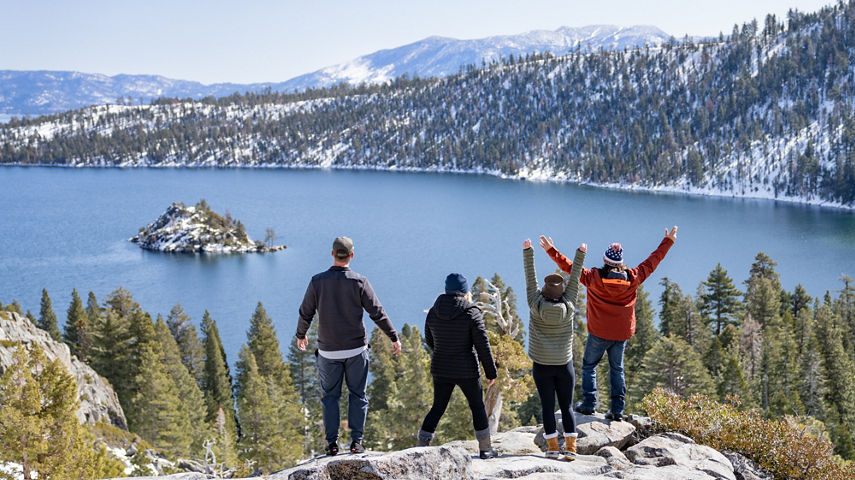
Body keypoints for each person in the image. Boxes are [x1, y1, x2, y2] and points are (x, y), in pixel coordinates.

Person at [540, 226, 677, 421]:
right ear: (621, 263)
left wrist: (551, 250)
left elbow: (570, 267)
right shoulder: (633, 278)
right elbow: (653, 261)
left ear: (605, 260)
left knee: (589, 367)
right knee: (617, 369)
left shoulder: (593, 278)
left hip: (598, 333)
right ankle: (617, 410)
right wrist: (668, 241)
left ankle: (588, 405)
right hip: (620, 335)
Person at [296, 236, 402, 456]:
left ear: (332, 254)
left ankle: (332, 444)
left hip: (328, 351)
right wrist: (393, 336)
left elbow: (306, 311)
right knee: (358, 395)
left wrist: (301, 334)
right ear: (352, 255)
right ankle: (357, 443)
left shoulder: (317, 281)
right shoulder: (359, 281)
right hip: (356, 350)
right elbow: (377, 313)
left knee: (330, 397)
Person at [417, 273, 499, 459]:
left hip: (441, 368)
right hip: (467, 370)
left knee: (437, 407)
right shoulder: (472, 312)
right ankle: (485, 450)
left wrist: (445, 350)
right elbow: (482, 344)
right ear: (465, 291)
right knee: (477, 407)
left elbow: (430, 341)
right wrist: (490, 372)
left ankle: (420, 448)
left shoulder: (433, 311)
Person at [523, 238, 585, 461]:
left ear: (544, 292)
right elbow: (575, 279)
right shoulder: (568, 304)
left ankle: (551, 448)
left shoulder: (535, 303)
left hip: (541, 365)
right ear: (561, 292)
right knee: (566, 406)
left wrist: (528, 251)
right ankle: (571, 448)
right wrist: (580, 254)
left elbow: (530, 279)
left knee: (547, 407)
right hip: (564, 365)